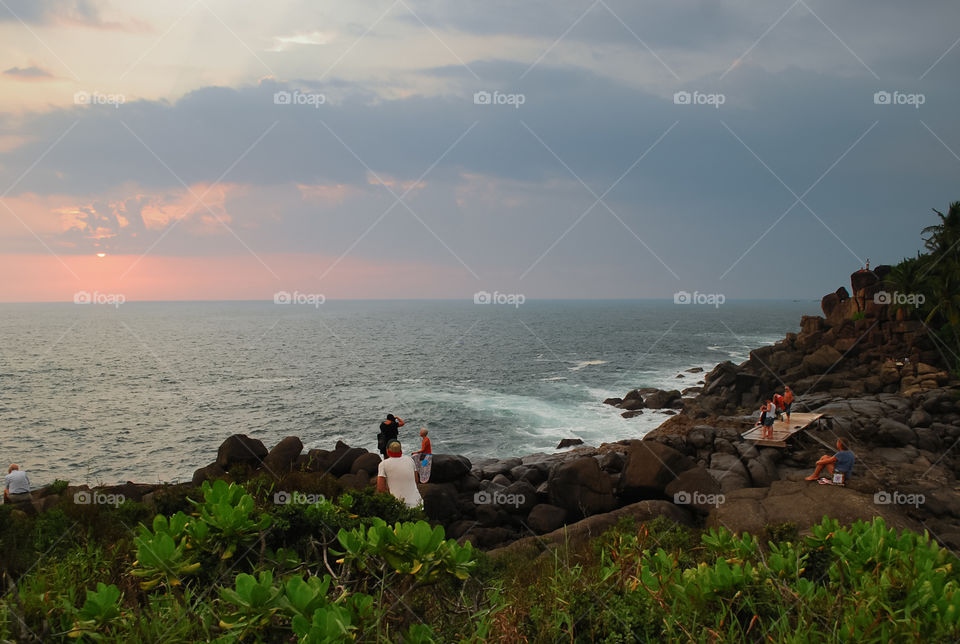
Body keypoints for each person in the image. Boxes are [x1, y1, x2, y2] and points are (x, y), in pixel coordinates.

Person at [376, 440, 422, 508]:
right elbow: (416, 480)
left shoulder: (383, 464)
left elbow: (380, 488)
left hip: (398, 506)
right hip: (417, 504)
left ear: (387, 451)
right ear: (401, 450)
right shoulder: (410, 460)